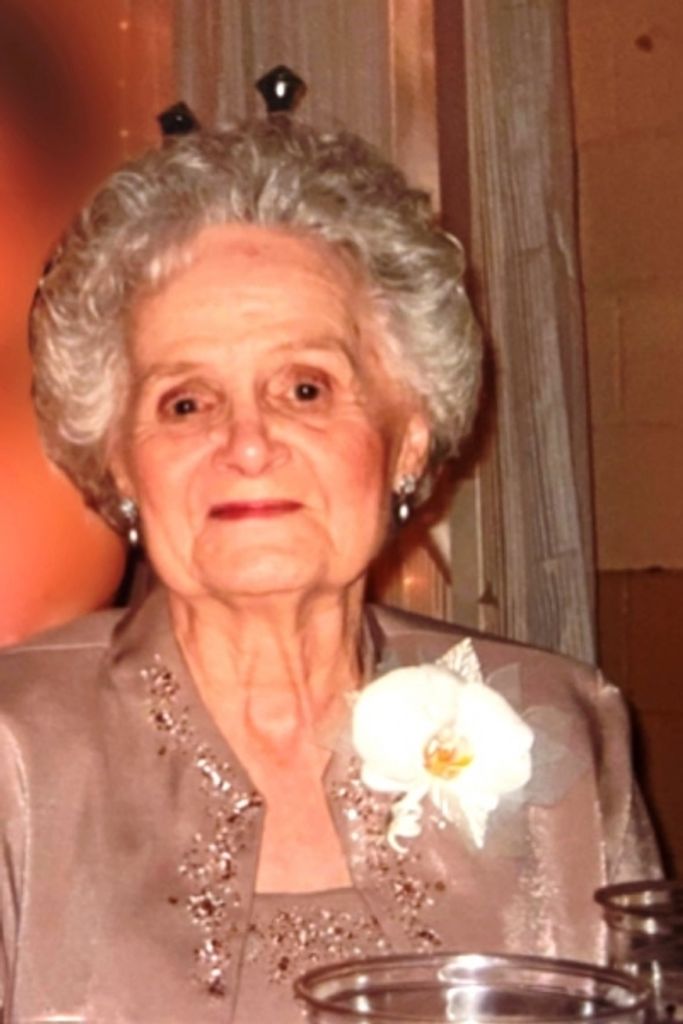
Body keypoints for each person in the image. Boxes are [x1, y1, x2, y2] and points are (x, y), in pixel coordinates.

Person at [0, 117, 659, 1023]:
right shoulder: (16, 754)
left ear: (407, 436)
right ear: (120, 462)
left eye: (304, 388)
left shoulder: (558, 727)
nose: (247, 443)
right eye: (186, 402)